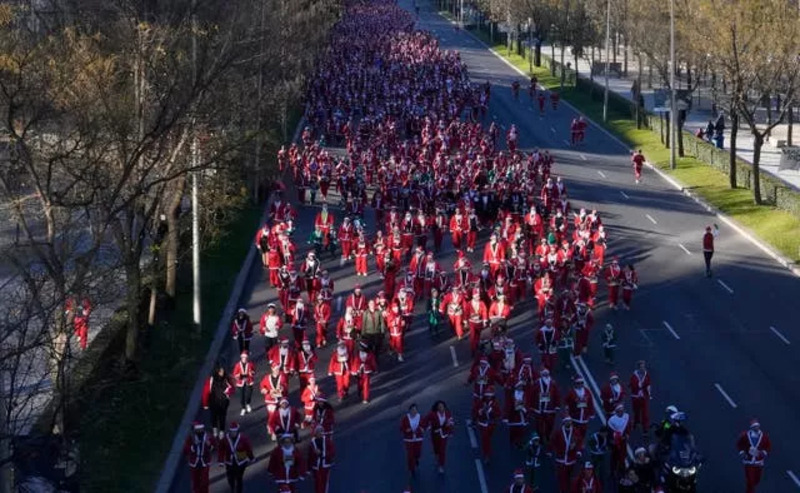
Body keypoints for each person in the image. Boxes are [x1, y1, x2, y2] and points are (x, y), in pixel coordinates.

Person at [217, 422, 253, 493]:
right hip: (229, 461)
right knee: (230, 477)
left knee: (239, 478)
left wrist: (251, 457)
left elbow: (248, 448)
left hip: (241, 460)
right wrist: (221, 460)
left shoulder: (243, 438)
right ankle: (232, 487)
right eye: (232, 432)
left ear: (237, 431)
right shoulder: (225, 439)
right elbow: (221, 449)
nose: (233, 433)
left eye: (235, 432)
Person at [737, 419, 771, 493]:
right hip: (748, 461)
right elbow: (739, 444)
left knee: (757, 479)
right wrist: (742, 452)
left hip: (759, 462)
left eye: (757, 426)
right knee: (750, 481)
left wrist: (764, 452)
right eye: (754, 427)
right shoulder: (745, 436)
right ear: (751, 428)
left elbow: (768, 446)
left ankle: (751, 487)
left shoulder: (764, 436)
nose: (756, 428)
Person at [550, 417, 584, 493]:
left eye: (569, 421)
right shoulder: (558, 432)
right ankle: (562, 490)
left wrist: (578, 451)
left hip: (571, 459)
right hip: (561, 458)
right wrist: (551, 450)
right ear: (564, 422)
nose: (568, 423)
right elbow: (553, 441)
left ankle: (570, 489)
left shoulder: (575, 431)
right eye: (567, 421)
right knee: (562, 477)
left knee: (570, 476)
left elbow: (580, 442)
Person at [201, 361, 234, 439]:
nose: (222, 372)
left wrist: (228, 391)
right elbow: (206, 392)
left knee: (222, 417)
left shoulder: (226, 379)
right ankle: (215, 429)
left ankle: (222, 431)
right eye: (221, 371)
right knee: (214, 417)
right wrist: (205, 404)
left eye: (223, 371)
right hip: (214, 401)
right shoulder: (211, 380)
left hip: (223, 401)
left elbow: (232, 388)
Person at [184, 421, 215, 493]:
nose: (199, 431)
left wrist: (209, 445)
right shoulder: (191, 437)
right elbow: (186, 450)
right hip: (194, 463)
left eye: (200, 429)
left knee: (204, 482)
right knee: (195, 482)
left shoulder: (208, 436)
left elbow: (214, 447)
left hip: (205, 462)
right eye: (197, 429)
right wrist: (194, 446)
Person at [425, 400, 454, 474]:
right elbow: (426, 420)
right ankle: (437, 455)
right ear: (437, 408)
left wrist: (450, 430)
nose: (441, 408)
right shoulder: (432, 414)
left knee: (442, 450)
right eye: (439, 407)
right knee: (436, 448)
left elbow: (451, 422)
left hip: (444, 434)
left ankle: (441, 465)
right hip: (435, 434)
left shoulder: (447, 413)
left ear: (444, 406)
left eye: (442, 406)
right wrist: (426, 427)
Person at [308, 425, 335, 493]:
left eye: (321, 431)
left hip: (325, 464)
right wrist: (308, 468)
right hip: (316, 466)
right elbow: (310, 456)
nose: (320, 433)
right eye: (318, 431)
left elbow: (332, 452)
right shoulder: (312, 443)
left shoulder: (327, 441)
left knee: (324, 481)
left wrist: (322, 453)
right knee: (317, 482)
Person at [607, 404, 632, 476]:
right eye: (619, 411)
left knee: (622, 455)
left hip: (623, 440)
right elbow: (609, 431)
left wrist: (627, 434)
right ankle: (613, 470)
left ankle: (622, 470)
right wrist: (611, 440)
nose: (621, 412)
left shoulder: (626, 417)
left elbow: (628, 426)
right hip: (615, 441)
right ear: (617, 412)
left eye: (622, 411)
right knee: (614, 456)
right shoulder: (612, 420)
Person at [400, 403, 425, 476]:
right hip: (409, 439)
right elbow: (401, 428)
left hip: (418, 438)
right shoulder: (405, 418)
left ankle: (416, 458)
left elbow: (424, 425)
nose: (414, 411)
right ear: (409, 410)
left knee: (417, 453)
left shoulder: (420, 417)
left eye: (415, 410)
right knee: (410, 455)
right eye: (412, 410)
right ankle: (411, 469)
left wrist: (422, 429)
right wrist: (406, 430)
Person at [629, 360, 652, 435]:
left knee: (645, 413)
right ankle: (636, 422)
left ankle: (645, 429)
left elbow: (648, 382)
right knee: (636, 411)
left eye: (643, 366)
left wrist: (648, 389)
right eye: (641, 367)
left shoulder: (646, 374)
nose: (643, 368)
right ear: (638, 368)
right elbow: (631, 385)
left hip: (643, 397)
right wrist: (638, 385)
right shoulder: (634, 376)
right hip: (636, 397)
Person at [232, 351, 255, 416]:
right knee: (241, 396)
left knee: (249, 394)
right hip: (240, 382)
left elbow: (253, 371)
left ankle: (248, 404)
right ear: (241, 358)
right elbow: (235, 374)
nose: (244, 359)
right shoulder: (237, 365)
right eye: (243, 357)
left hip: (249, 381)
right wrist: (240, 376)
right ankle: (243, 408)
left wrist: (251, 373)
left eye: (246, 357)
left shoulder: (250, 364)